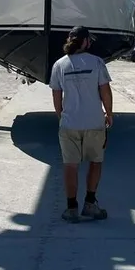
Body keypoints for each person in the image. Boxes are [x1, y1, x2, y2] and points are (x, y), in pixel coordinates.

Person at [50, 26, 113, 223]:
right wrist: (109, 114)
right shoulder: (97, 62)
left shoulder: (59, 65)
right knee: (95, 162)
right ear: (85, 41)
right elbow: (105, 92)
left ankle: (71, 208)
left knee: (70, 166)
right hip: (94, 122)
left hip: (69, 124)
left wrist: (62, 116)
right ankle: (90, 203)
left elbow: (56, 96)